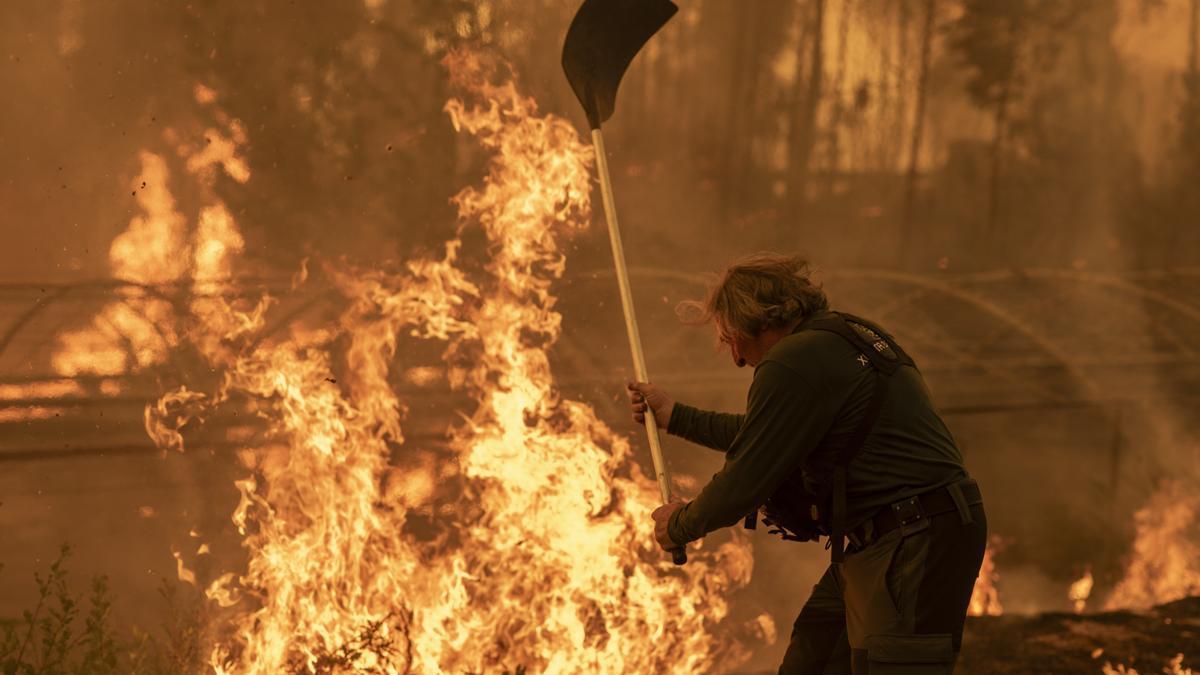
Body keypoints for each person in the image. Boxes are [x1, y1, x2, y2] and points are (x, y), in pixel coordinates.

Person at [627, 253, 986, 674]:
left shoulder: (793, 361)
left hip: (914, 539)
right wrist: (675, 416)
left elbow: (745, 480)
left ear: (750, 322)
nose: (737, 359)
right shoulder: (839, 336)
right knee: (812, 660)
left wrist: (679, 524)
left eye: (730, 339)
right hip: (888, 537)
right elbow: (769, 432)